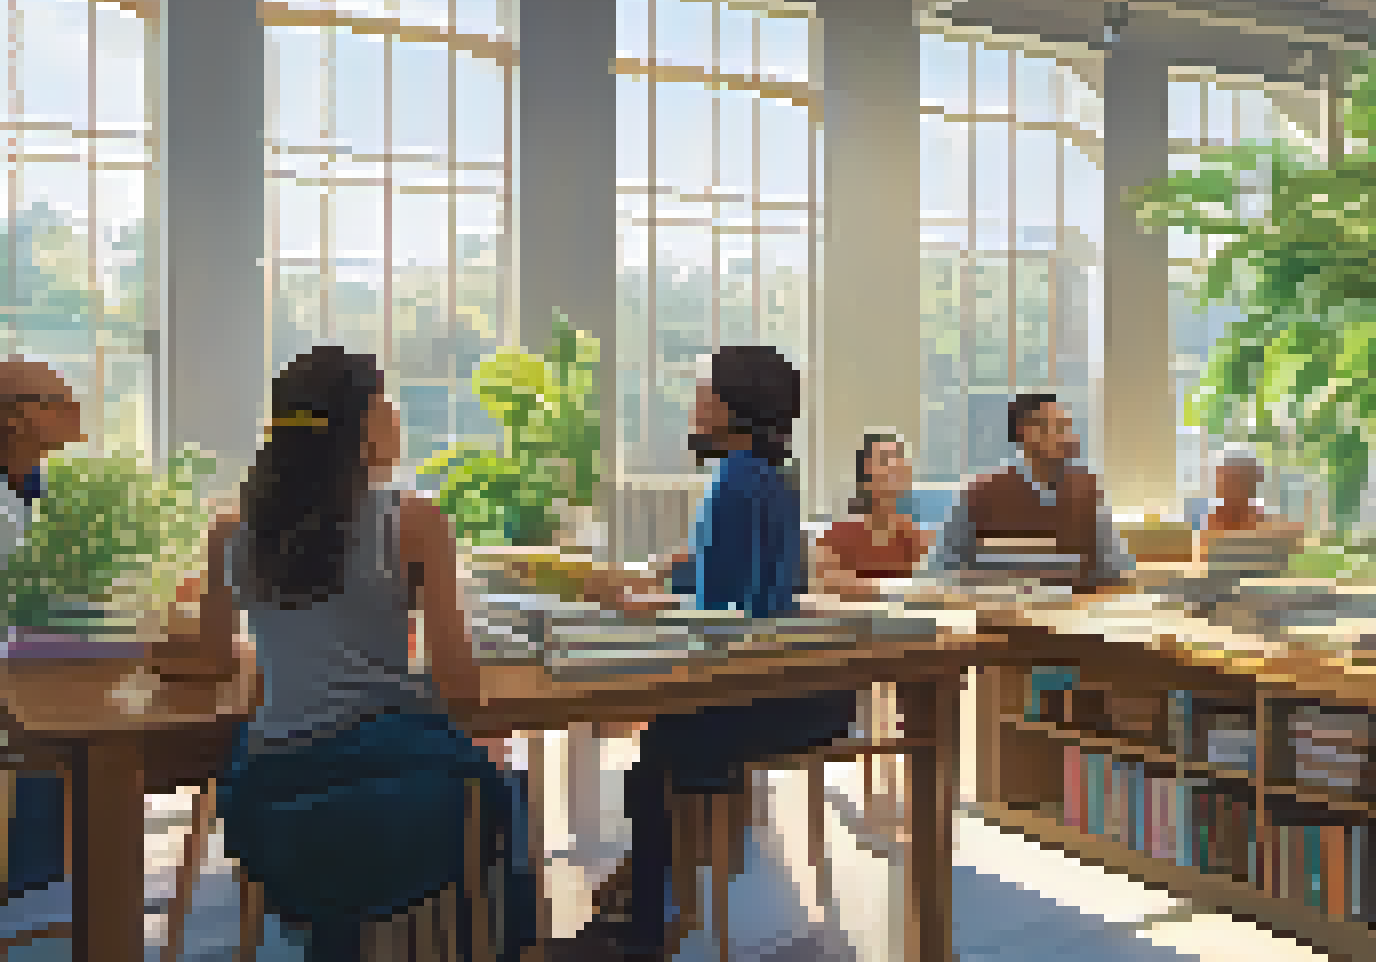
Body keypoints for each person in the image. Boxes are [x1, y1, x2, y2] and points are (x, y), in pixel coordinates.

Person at [168, 346, 535, 960]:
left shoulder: (231, 530)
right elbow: (461, 689)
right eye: (385, 402)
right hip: (395, 805)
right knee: (502, 779)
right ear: (361, 426)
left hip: (273, 809)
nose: (396, 415)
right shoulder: (413, 521)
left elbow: (210, 658)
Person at [575, 346, 856, 961]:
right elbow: (748, 588)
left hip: (767, 700)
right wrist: (680, 579)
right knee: (667, 740)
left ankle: (644, 926)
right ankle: (642, 899)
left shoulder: (731, 482)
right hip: (810, 694)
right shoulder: (771, 477)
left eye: (705, 393)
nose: (695, 404)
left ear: (735, 408)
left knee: (656, 754)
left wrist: (652, 600)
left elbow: (723, 611)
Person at [0, 357, 82, 904]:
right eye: (58, 403)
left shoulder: (41, 486)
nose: (75, 411)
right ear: (15, 418)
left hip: (36, 664)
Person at [928, 393, 1134, 592]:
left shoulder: (1086, 493)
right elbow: (942, 571)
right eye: (1058, 428)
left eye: (1069, 429)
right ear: (1025, 432)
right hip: (994, 618)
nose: (1069, 438)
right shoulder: (979, 495)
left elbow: (1117, 570)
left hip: (1075, 617)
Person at [816, 429, 932, 596]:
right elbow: (827, 590)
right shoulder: (834, 541)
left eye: (899, 460)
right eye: (885, 460)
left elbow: (934, 592)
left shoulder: (919, 540)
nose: (894, 467)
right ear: (864, 478)